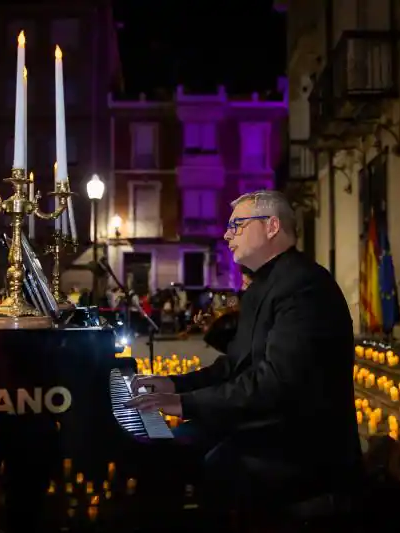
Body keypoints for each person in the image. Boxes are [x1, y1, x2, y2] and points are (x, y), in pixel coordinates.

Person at [127, 190, 362, 528]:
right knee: (164, 450)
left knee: (200, 460)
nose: (226, 234)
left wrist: (185, 403)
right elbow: (234, 366)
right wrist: (175, 385)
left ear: (272, 226)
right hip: (272, 428)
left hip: (305, 449)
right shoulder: (266, 286)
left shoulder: (304, 286)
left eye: (237, 225)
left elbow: (276, 383)